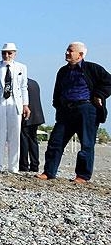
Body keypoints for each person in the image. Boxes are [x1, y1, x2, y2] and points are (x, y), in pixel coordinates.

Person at [38, 41, 111, 183]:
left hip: (86, 109)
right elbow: (57, 91)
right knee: (55, 142)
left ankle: (82, 176)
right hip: (66, 111)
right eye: (67, 50)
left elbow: (109, 81)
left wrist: (99, 94)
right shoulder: (63, 71)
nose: (66, 53)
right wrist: (58, 106)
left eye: (70, 51)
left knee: (86, 144)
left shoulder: (92, 68)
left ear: (80, 55)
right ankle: (49, 172)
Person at [0, 43, 30, 173]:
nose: (7, 55)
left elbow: (23, 87)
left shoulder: (22, 67)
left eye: (9, 53)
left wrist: (25, 104)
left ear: (14, 53)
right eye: (4, 53)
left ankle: (13, 166)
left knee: (15, 135)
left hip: (15, 103)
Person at [19, 78, 45, 172]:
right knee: (33, 140)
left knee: (24, 140)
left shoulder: (22, 83)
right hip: (37, 114)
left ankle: (23, 165)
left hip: (26, 114)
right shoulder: (34, 83)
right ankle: (35, 165)